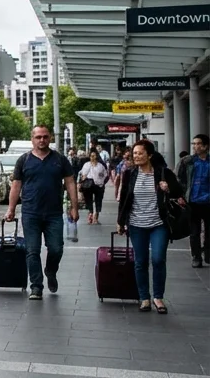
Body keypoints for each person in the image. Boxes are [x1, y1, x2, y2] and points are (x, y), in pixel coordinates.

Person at [4, 125, 78, 300]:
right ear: (32, 139)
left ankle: (50, 271)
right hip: (30, 213)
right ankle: (36, 286)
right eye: (38, 137)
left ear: (50, 138)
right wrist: (11, 209)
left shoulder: (60, 159)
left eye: (45, 137)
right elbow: (16, 186)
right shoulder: (24, 160)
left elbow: (70, 183)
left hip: (54, 213)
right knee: (32, 250)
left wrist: (74, 207)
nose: (42, 140)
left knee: (56, 249)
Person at [117, 139, 185, 313]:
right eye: (134, 154)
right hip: (136, 224)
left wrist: (167, 187)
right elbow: (125, 198)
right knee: (140, 262)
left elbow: (179, 191)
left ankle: (158, 297)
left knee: (158, 259)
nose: (136, 156)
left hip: (158, 223)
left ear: (149, 155)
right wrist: (121, 221)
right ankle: (144, 298)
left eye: (140, 153)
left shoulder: (163, 173)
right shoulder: (130, 174)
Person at [177, 134, 210, 268]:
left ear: (206, 146)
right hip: (192, 201)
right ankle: (196, 256)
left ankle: (208, 253)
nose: (195, 146)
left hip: (208, 201)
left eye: (198, 144)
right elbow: (179, 179)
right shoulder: (187, 161)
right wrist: (181, 195)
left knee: (209, 231)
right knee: (194, 231)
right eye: (194, 144)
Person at [78, 149, 109, 225]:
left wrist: (102, 183)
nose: (93, 157)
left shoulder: (100, 166)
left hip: (99, 185)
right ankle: (90, 215)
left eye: (94, 156)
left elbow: (105, 175)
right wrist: (82, 180)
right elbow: (81, 174)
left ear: (97, 156)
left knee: (98, 201)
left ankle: (96, 217)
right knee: (88, 200)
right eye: (91, 156)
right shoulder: (86, 165)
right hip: (88, 185)